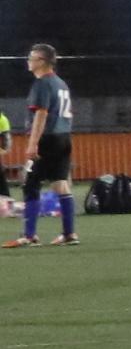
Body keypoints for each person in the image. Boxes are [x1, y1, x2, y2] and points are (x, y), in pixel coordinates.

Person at [12, 46, 73, 248]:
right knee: (60, 183)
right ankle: (69, 233)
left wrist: (33, 144)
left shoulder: (42, 83)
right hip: (63, 137)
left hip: (47, 139)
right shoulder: (61, 83)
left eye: (32, 57)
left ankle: (29, 235)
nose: (28, 61)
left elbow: (41, 114)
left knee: (30, 184)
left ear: (42, 61)